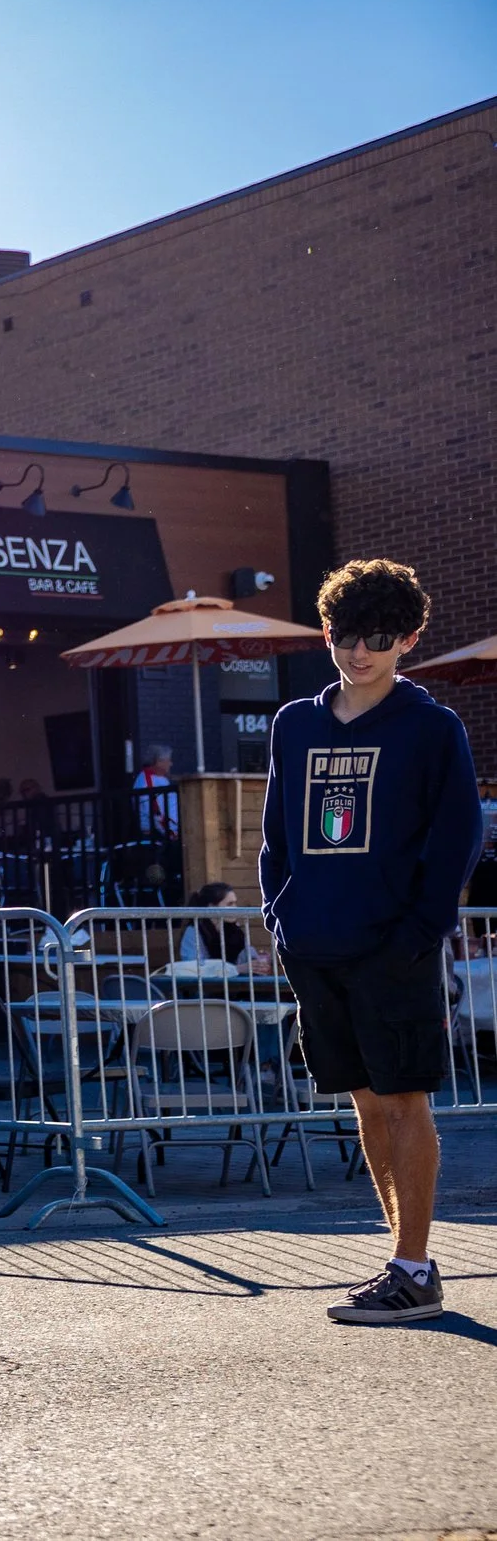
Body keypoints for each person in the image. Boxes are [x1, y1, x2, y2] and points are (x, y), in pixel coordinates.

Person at [261, 559, 481, 1325]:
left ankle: (416, 1268)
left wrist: (420, 932)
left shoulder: (429, 727)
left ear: (408, 640)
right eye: (348, 635)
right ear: (328, 632)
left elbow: (460, 835)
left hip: (395, 948)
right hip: (315, 947)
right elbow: (277, 839)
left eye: (379, 638)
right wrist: (279, 917)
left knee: (404, 1101)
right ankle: (400, 1262)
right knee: (363, 1102)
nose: (360, 652)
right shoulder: (295, 723)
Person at [176, 882, 257, 969]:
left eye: (235, 903)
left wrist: (260, 962)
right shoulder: (193, 932)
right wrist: (236, 969)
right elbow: (194, 968)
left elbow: (247, 955)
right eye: (230, 904)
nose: (235, 908)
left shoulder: (235, 930)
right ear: (211, 907)